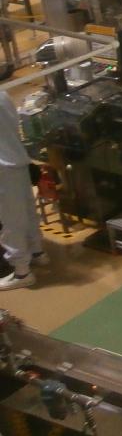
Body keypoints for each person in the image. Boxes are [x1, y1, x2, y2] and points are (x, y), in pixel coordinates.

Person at [0, 94, 43, 290]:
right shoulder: (3, 95)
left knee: (11, 221)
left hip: (3, 168)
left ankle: (22, 272)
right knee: (27, 211)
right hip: (18, 160)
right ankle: (37, 251)